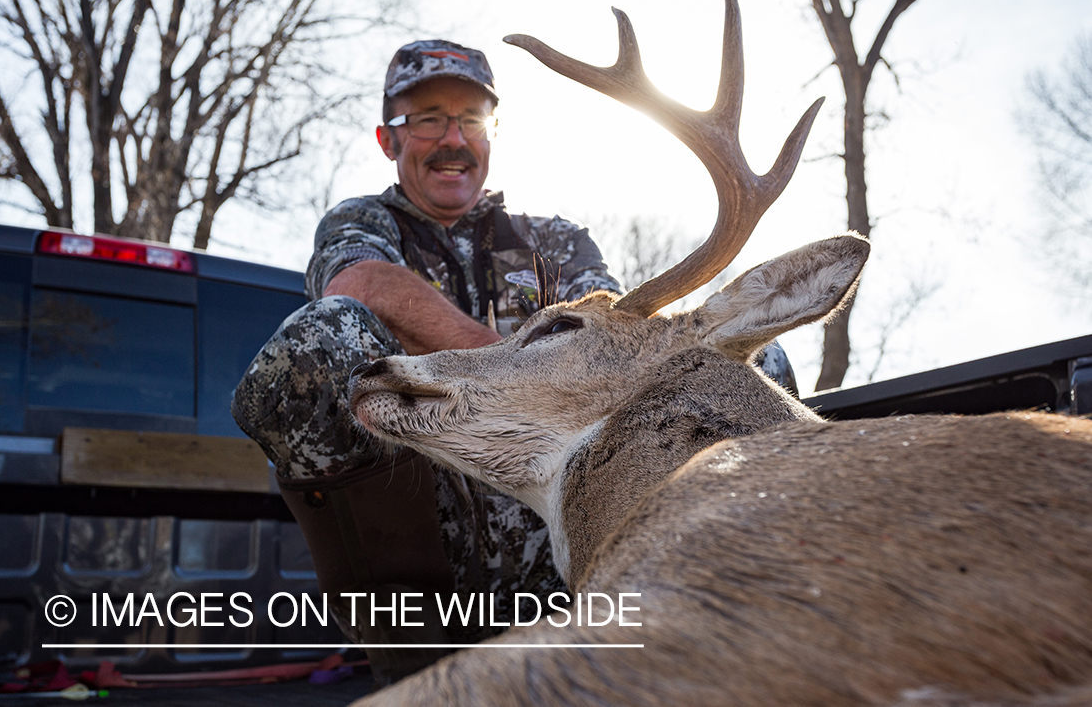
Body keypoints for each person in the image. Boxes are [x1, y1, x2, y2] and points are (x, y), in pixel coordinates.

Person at [232, 39, 798, 685]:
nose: (453, 138)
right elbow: (357, 285)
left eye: (471, 118)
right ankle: (415, 666)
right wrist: (514, 366)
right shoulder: (362, 226)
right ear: (389, 140)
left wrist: (549, 364)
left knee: (739, 363)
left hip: (558, 535)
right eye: (427, 119)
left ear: (492, 133)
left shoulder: (553, 242)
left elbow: (619, 342)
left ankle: (721, 623)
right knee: (325, 336)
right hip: (430, 546)